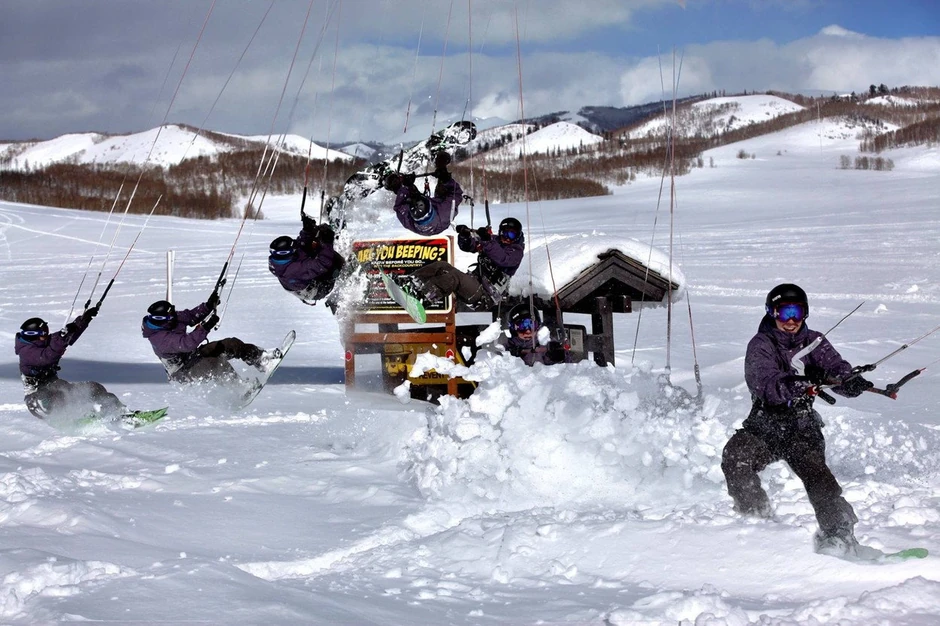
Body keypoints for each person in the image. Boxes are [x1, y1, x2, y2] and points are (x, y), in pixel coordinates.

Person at [721, 283, 874, 556]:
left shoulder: (815, 340)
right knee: (736, 456)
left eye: (798, 312)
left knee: (818, 475)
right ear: (772, 313)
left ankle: (839, 535)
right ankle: (756, 522)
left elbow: (835, 369)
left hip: (801, 428)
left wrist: (849, 382)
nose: (791, 320)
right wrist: (804, 381)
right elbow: (766, 385)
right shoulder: (761, 345)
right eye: (784, 312)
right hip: (764, 426)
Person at [15, 309, 133, 420]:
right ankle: (82, 417)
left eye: (47, 331)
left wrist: (84, 319)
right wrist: (61, 341)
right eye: (43, 333)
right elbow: (48, 357)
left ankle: (121, 412)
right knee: (63, 398)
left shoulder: (43, 341)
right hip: (39, 399)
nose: (47, 334)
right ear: (33, 335)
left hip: (56, 386)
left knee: (94, 388)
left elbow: (66, 337)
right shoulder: (26, 351)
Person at [141, 296, 280, 384]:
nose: (175, 315)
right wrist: (205, 326)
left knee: (230, 344)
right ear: (164, 319)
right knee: (216, 363)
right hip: (182, 371)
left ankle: (261, 360)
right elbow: (187, 343)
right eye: (171, 314)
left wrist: (208, 305)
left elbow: (190, 316)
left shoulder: (169, 319)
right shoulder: (159, 339)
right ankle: (238, 388)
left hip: (193, 356)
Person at [408, 216, 525, 310]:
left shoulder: (516, 252)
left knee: (454, 278)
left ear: (518, 236)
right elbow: (471, 246)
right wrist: (465, 237)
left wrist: (487, 241)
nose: (507, 238)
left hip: (486, 296)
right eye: (505, 233)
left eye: (512, 235)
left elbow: (502, 259)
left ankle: (424, 297)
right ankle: (412, 282)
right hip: (475, 283)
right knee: (442, 266)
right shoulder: (493, 241)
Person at [268, 210, 345, 304]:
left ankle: (330, 235)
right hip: (318, 289)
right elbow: (323, 263)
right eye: (293, 248)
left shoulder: (281, 260)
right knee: (332, 261)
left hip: (306, 278)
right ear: (286, 253)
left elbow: (301, 245)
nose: (296, 247)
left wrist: (307, 230)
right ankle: (349, 274)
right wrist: (327, 242)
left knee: (314, 245)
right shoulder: (294, 270)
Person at [384, 151, 464, 236]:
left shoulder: (408, 220)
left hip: (431, 216)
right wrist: (446, 179)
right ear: (430, 206)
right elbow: (457, 194)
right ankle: (441, 164)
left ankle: (389, 181)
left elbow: (399, 207)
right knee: (443, 188)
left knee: (410, 197)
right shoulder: (445, 209)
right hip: (441, 215)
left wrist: (401, 187)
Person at [503, 302, 571, 366]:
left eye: (532, 325)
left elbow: (565, 369)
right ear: (512, 328)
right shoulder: (507, 346)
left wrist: (558, 356)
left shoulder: (545, 344)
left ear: (538, 326)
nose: (528, 331)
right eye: (522, 326)